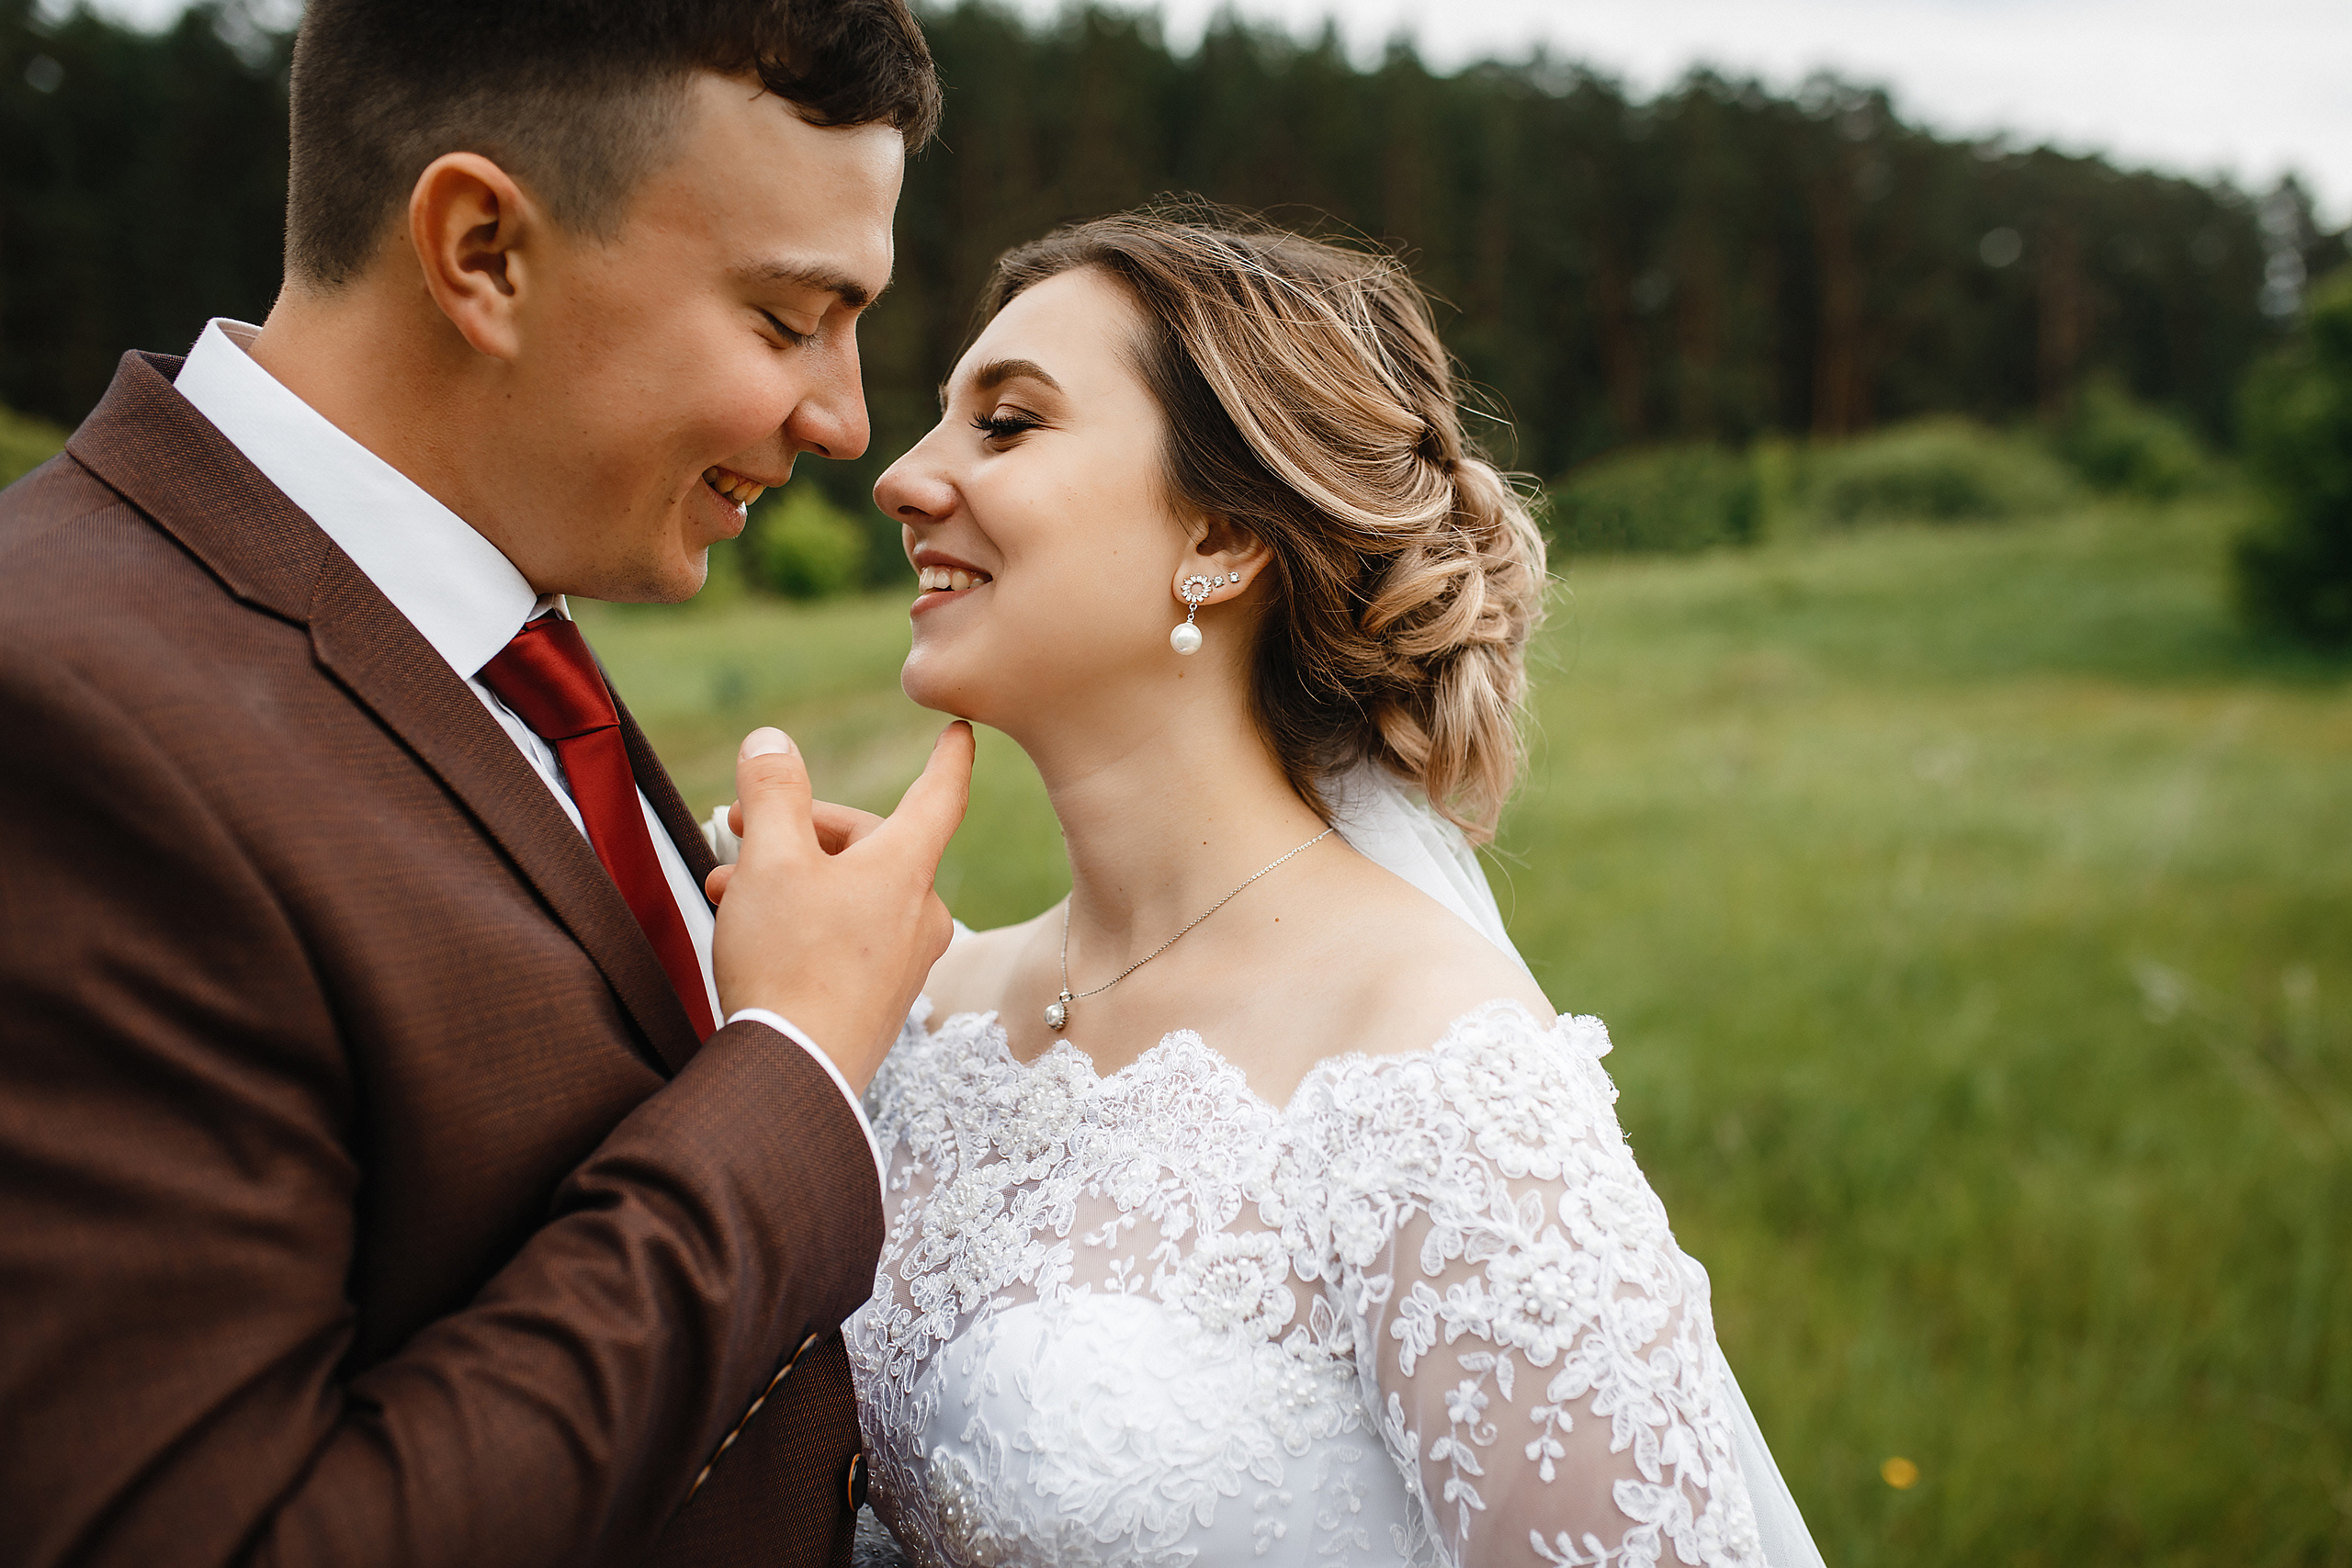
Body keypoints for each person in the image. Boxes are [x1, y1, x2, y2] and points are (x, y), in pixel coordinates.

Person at [0, 3, 970, 1564]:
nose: (846, 420)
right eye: (791, 317)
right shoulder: (58, 715)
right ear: (482, 254)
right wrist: (791, 1069)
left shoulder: (503, 631)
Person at [832, 209, 1829, 1566]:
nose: (901, 478)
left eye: (1006, 425)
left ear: (1226, 538)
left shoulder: (1437, 1080)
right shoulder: (922, 1006)